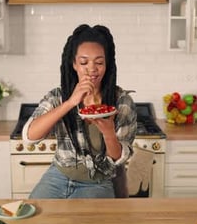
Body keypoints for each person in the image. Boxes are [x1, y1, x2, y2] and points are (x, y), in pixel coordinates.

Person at [22, 24, 137, 199]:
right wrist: (69, 103)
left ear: (107, 65)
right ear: (74, 64)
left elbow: (117, 159)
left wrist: (108, 132)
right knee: (34, 219)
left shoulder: (122, 102)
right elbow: (29, 136)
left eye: (99, 62)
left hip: (97, 181)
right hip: (58, 176)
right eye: (84, 62)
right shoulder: (58, 97)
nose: (91, 69)